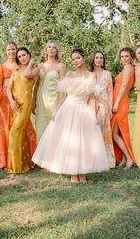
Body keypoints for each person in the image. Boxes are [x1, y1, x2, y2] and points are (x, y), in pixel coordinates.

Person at [32, 48, 109, 183]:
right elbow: (63, 94)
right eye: (73, 59)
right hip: (68, 108)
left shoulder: (92, 75)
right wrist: (57, 110)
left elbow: (92, 97)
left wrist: (95, 113)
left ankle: (81, 172)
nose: (75, 61)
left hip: (83, 109)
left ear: (83, 58)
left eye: (77, 58)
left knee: (83, 142)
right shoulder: (69, 73)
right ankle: (73, 173)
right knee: (70, 140)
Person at [0, 42, 36, 170]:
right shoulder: (0, 66)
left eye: (13, 49)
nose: (11, 52)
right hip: (5, 98)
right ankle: (4, 160)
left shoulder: (21, 65)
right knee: (3, 128)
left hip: (19, 97)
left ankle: (23, 157)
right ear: (5, 51)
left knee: (21, 127)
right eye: (8, 50)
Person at [7, 47, 39, 174]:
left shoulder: (35, 69)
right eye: (19, 57)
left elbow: (27, 75)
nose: (22, 58)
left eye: (24, 55)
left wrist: (31, 62)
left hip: (25, 105)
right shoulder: (15, 70)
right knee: (22, 133)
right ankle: (25, 163)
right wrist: (11, 101)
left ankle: (15, 168)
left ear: (29, 54)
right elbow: (9, 88)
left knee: (14, 133)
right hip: (15, 105)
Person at [35, 40, 66, 142]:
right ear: (46, 50)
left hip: (54, 101)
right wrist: (33, 101)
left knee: (54, 128)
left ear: (57, 51)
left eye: (54, 47)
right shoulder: (40, 66)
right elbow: (37, 85)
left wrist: (60, 106)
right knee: (41, 128)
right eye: (49, 47)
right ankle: (41, 156)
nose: (51, 49)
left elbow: (64, 88)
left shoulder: (60, 66)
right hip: (41, 101)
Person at [111, 47, 135, 169]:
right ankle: (124, 159)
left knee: (115, 133)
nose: (124, 58)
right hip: (120, 101)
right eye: (122, 56)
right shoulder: (129, 68)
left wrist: (116, 103)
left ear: (131, 57)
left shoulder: (128, 68)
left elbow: (124, 86)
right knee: (119, 131)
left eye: (126, 56)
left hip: (120, 102)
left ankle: (129, 158)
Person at [90, 51, 115, 168]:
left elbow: (110, 92)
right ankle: (93, 157)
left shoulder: (107, 74)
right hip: (92, 104)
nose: (99, 60)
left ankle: (106, 159)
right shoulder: (89, 74)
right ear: (93, 60)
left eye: (101, 58)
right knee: (93, 129)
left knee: (102, 129)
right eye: (96, 58)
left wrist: (110, 108)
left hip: (104, 105)